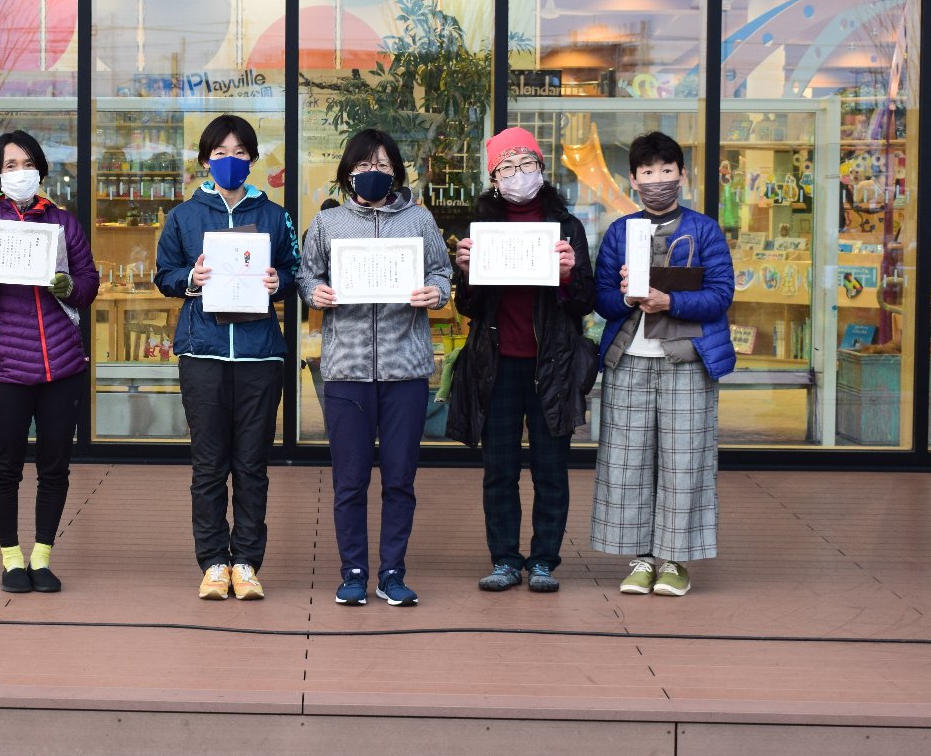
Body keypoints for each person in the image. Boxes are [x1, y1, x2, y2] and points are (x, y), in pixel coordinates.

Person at [297, 128, 452, 607]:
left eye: (383, 166)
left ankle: (391, 572)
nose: (373, 173)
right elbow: (306, 275)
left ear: (396, 173)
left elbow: (442, 271)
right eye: (364, 165)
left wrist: (436, 292)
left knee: (400, 479)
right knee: (350, 480)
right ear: (348, 173)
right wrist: (315, 293)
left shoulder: (419, 220)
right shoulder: (329, 223)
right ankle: (353, 572)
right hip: (346, 369)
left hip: (406, 369)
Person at [155, 114, 300, 601]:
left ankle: (247, 563)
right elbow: (164, 275)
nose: (230, 161)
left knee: (253, 465)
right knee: (209, 465)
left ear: (252, 160)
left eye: (240, 153)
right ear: (205, 161)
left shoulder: (276, 215)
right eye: (220, 153)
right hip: (203, 352)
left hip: (260, 355)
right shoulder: (183, 216)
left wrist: (280, 281)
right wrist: (189, 279)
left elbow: (296, 271)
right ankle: (215, 562)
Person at [448, 126, 597, 594]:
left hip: (552, 363)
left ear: (541, 168)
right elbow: (469, 308)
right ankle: (505, 559)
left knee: (551, 469)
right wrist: (466, 274)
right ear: (494, 178)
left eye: (526, 163)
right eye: (506, 167)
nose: (518, 174)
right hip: (497, 364)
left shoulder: (567, 227)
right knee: (500, 469)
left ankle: (544, 561)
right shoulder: (480, 229)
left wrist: (569, 276)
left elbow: (585, 301)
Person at [591, 131, 735, 597]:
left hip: (687, 360)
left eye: (667, 170)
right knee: (627, 461)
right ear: (633, 180)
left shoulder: (704, 230)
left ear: (682, 175)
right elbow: (601, 299)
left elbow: (721, 295)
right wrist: (626, 295)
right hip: (629, 360)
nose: (658, 180)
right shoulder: (620, 231)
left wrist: (669, 300)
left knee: (684, 460)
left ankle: (674, 561)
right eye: (648, 172)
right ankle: (640, 558)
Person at [0, 130, 100, 593]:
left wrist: (69, 287)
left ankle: (41, 556)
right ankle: (11, 559)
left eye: (28, 163)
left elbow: (88, 283)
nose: (21, 172)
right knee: (6, 467)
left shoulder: (63, 222)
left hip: (62, 364)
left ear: (41, 168)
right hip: (5, 367)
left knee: (55, 467)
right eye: (10, 166)